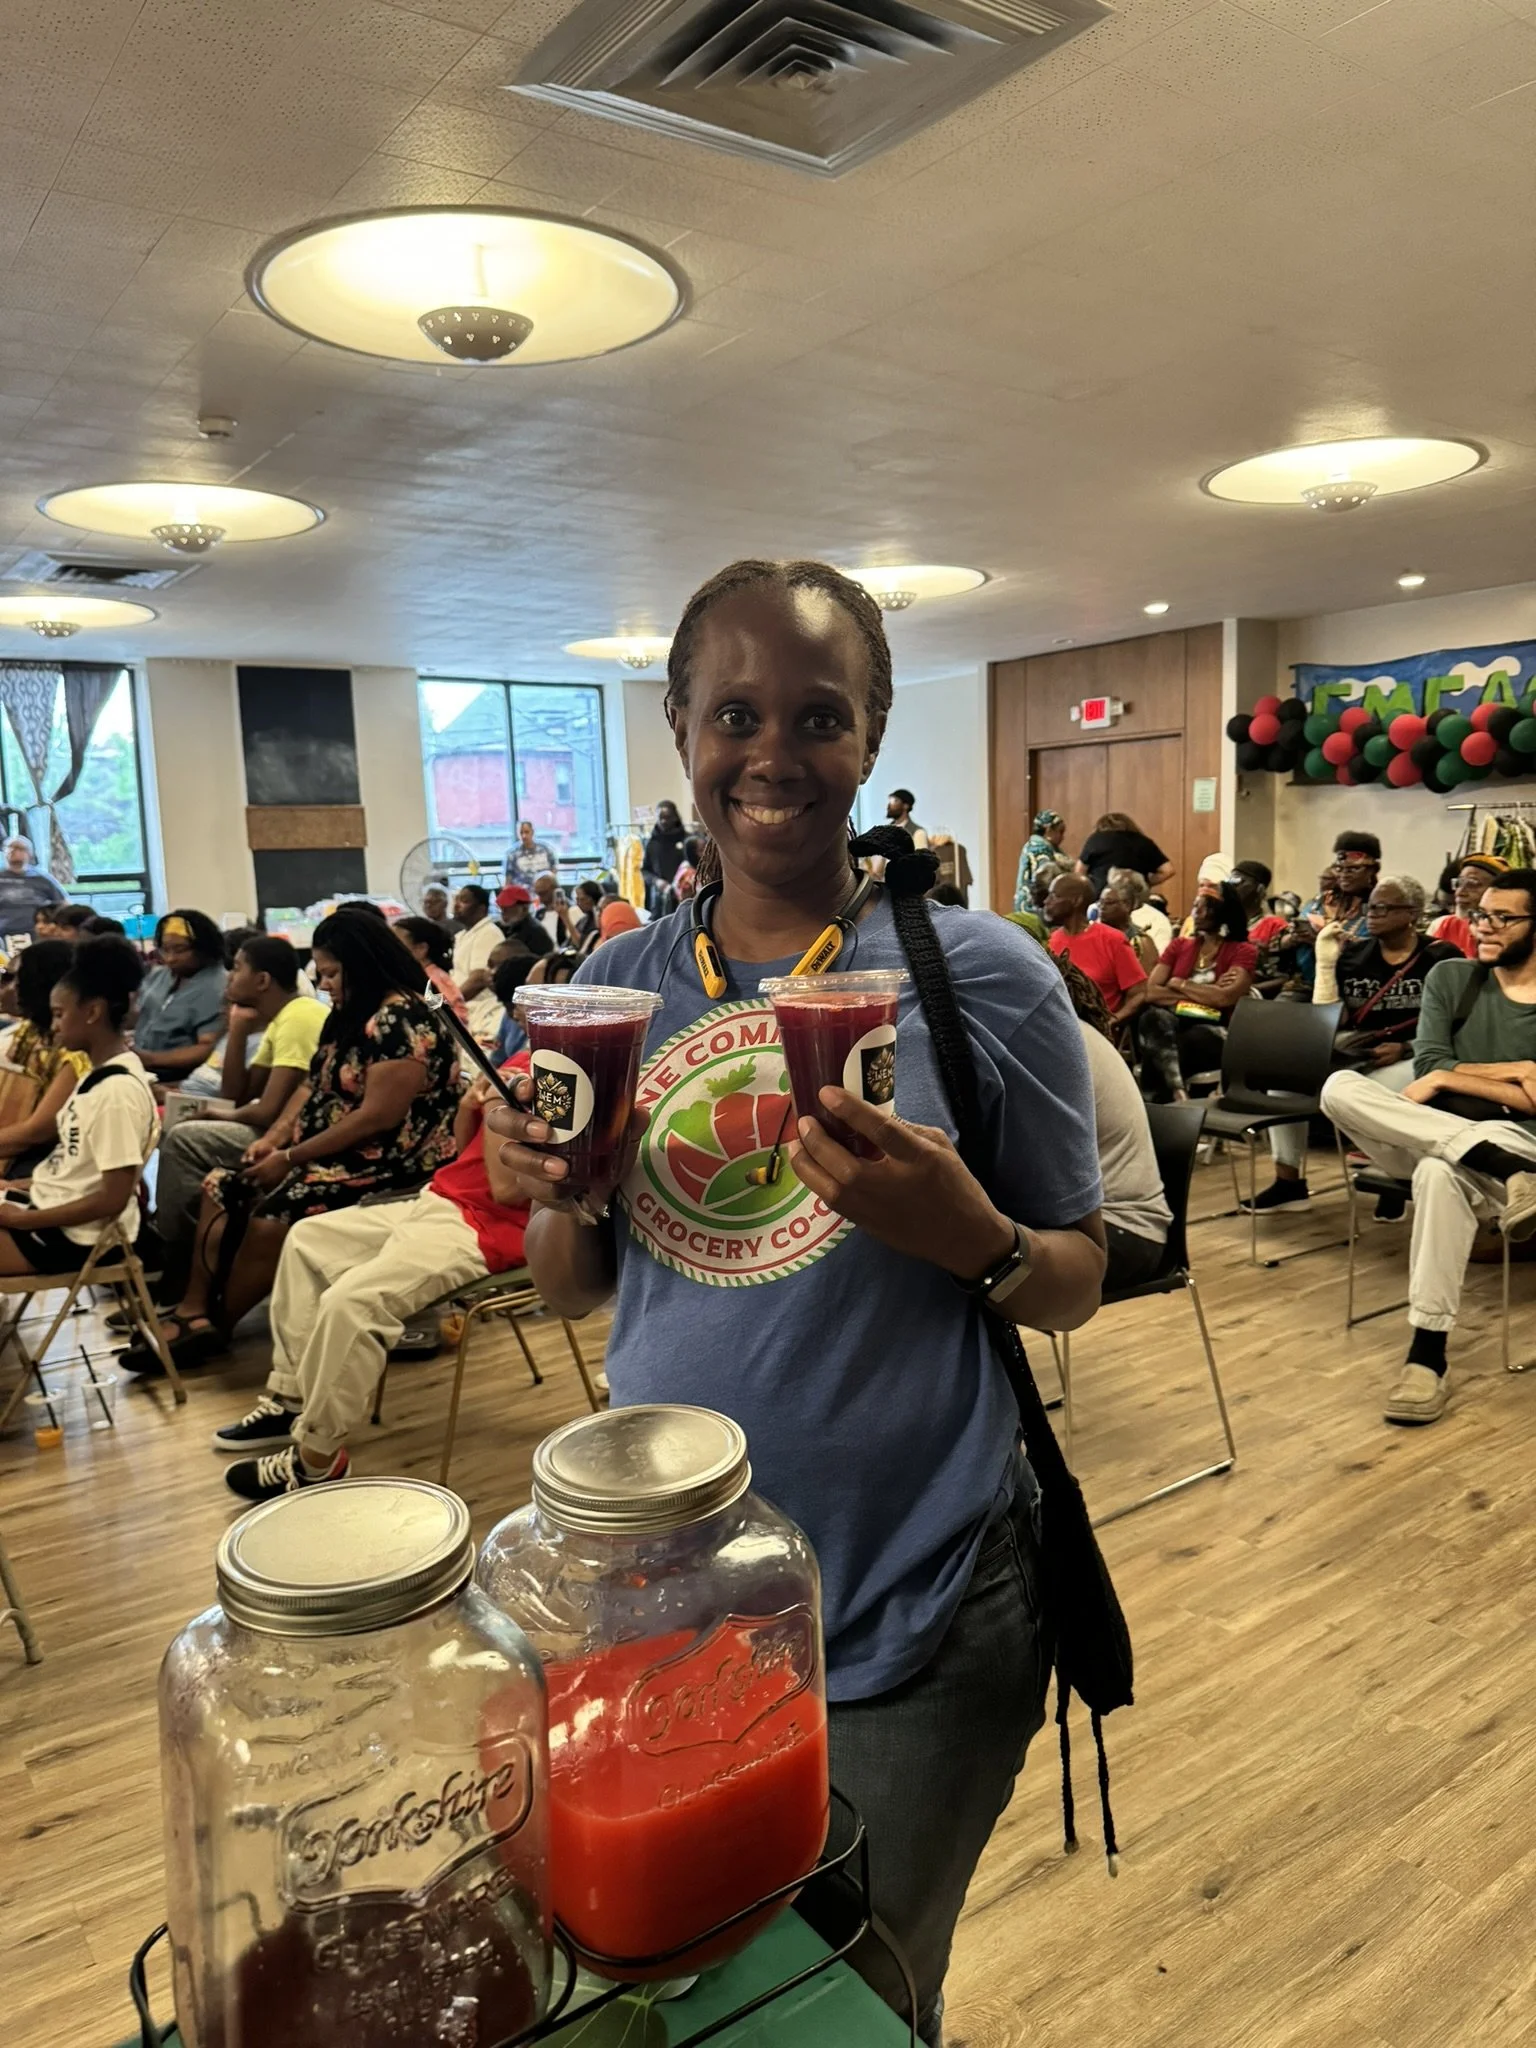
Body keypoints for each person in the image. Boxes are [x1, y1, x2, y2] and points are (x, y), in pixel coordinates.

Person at [490, 557, 1104, 2047]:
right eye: (736, 714)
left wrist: (968, 1234)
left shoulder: (984, 978)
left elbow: (1077, 1279)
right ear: (680, 727)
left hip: (923, 1598)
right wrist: (549, 1195)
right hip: (666, 1603)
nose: (775, 756)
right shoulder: (614, 986)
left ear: (872, 737)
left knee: (850, 2003)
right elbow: (574, 1292)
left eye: (820, 718)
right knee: (684, 1972)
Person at [124, 909, 462, 1370]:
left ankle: (219, 1323)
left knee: (273, 1213)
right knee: (221, 1186)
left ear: (362, 964)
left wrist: (290, 1155)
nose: (323, 984)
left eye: (331, 972)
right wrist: (276, 1138)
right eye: (319, 973)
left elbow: (377, 1118)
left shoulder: (404, 1019)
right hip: (335, 1151)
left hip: (388, 1161)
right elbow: (312, 1084)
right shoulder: (349, 1012)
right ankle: (192, 1310)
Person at [215, 1057, 534, 1497]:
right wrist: (468, 1107)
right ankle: (290, 1400)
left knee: (352, 1302)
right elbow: (467, 1154)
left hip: (490, 1230)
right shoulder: (522, 1059)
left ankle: (316, 1460)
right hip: (441, 1199)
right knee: (307, 1238)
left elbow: (507, 1190)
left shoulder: (568, 1080)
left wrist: (501, 1108)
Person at [1322, 871, 1536, 1425]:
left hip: (1515, 1139)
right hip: (1445, 1132)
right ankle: (1499, 1168)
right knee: (1338, 1087)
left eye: (1502, 918)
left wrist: (1451, 1078)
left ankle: (1426, 1356)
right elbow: (1427, 1066)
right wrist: (1516, 1071)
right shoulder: (1452, 977)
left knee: (1440, 1174)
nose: (1483, 927)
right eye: (1481, 915)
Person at [1244, 876, 1462, 1216]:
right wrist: (1326, 964)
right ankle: (1289, 1183)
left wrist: (1406, 1048)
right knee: (1284, 1084)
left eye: (1382, 907)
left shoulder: (1441, 956)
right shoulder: (1354, 954)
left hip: (1414, 1052)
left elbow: (1456, 1023)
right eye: (1371, 906)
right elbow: (1333, 1017)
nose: (1371, 914)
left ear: (1412, 913)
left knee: (1372, 1094)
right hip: (1358, 1048)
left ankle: (1394, 1180)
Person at [152, 938, 328, 1292]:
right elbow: (236, 1093)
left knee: (184, 1139)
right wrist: (237, 1029)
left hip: (296, 1135)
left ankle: (179, 1258)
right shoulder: (280, 1019)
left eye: (237, 968)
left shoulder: (300, 1015)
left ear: (262, 981)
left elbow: (266, 1112)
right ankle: (188, 1253)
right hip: (278, 1127)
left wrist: (210, 1115)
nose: (229, 977)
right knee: (179, 1129)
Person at [0, 936, 154, 1276]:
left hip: (72, 1239)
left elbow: (113, 1198)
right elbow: (79, 1175)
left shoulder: (115, 1092)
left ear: (93, 1012)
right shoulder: (96, 1075)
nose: (53, 1025)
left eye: (59, 1014)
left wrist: (25, 1219)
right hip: (48, 1213)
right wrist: (17, 1191)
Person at [1054, 954, 1171, 1291]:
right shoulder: (1066, 1033)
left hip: (1123, 1231)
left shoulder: (1063, 1043)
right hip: (1091, 1222)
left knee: (967, 1257)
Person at [1136, 882, 1255, 1101]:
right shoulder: (1179, 946)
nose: (1196, 913)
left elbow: (1225, 998)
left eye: (1205, 907)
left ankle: (1159, 1102)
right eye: (1195, 906)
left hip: (1217, 1030)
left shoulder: (1243, 951)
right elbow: (1150, 992)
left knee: (1168, 1045)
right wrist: (1207, 992)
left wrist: (1179, 983)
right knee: (1151, 1018)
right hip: (1174, 1023)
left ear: (1223, 913)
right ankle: (1178, 1092)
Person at [0, 940, 88, 1167]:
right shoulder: (30, 1031)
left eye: (17, 979)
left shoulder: (77, 1051)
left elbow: (38, 1131)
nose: (9, 988)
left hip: (49, 1158)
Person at [134, 910, 227, 1079]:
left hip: (182, 1079)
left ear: (204, 948)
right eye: (165, 949)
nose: (170, 958)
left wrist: (150, 1059)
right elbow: (138, 1016)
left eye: (180, 950)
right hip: (143, 1070)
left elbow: (207, 1047)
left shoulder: (218, 987)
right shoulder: (159, 975)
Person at [1045, 873, 1148, 1025]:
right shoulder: (1050, 940)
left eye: (1053, 896)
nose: (1046, 902)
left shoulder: (1113, 940)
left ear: (1076, 901)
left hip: (1097, 1032)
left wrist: (1111, 1023)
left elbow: (1138, 994)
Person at [1430, 853, 1510, 959]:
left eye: (1472, 884)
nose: (1460, 892)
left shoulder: (1511, 929)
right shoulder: (1443, 925)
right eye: (1458, 883)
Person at [1076, 811, 1172, 898]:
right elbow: (1168, 870)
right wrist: (1145, 883)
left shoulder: (1096, 839)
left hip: (1101, 895)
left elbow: (1079, 871)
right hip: (1135, 896)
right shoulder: (1143, 842)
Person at [394, 915, 468, 1022]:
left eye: (397, 944)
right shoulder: (418, 978)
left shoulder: (434, 982)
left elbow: (451, 1023)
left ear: (421, 949)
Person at [0, 834, 64, 939]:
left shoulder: (42, 878)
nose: (13, 851)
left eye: (19, 848)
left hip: (37, 933)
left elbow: (63, 904)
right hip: (3, 934)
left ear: (29, 853)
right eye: (9, 848)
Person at [451, 883, 503, 1011]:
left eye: (464, 901)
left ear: (481, 909)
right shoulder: (463, 935)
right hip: (462, 1004)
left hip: (479, 1007)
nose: (457, 905)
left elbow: (478, 979)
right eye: (456, 900)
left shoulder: (489, 933)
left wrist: (449, 1003)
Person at [1106, 867, 1173, 958]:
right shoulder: (1103, 915)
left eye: (1121, 888)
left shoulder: (1158, 920)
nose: (1111, 894)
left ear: (1137, 891)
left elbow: (1159, 959)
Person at [641, 799, 691, 914]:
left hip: (685, 898)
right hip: (660, 900)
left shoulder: (687, 840)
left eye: (667, 817)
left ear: (675, 817)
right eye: (660, 818)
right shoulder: (652, 843)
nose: (663, 821)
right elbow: (645, 870)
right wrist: (656, 881)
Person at [1098, 882, 1159, 974]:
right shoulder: (1089, 935)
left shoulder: (1142, 942)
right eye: (1100, 902)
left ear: (1127, 905)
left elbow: (1147, 981)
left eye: (1108, 903)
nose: (1102, 907)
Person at [1014, 808, 1066, 912]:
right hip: (1032, 906)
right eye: (1060, 832)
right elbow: (1044, 880)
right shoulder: (1040, 849)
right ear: (1048, 830)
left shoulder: (1034, 845)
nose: (1062, 837)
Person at [495, 883, 555, 959]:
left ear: (524, 908)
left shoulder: (536, 933)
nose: (503, 913)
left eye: (507, 909)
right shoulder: (499, 927)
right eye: (501, 908)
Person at [506, 818, 557, 885]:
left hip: (544, 890)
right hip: (521, 891)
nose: (524, 836)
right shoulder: (512, 854)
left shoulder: (546, 850)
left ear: (532, 832)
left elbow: (554, 871)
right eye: (521, 833)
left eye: (526, 832)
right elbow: (508, 878)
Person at [531, 870, 572, 948]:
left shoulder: (571, 910)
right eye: (538, 894)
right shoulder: (539, 913)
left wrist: (564, 917)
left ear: (555, 889)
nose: (541, 899)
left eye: (543, 893)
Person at [570, 878, 605, 953]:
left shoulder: (600, 920)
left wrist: (565, 917)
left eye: (582, 899)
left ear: (593, 898)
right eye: (577, 899)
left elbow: (581, 944)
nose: (578, 903)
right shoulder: (584, 920)